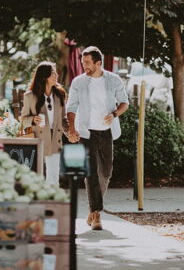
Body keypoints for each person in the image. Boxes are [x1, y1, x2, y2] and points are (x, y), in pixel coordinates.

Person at [65, 46, 129, 231]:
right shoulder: (78, 82)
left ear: (98, 63)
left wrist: (114, 114)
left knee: (106, 172)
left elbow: (125, 103)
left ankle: (92, 208)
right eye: (82, 62)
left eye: (87, 63)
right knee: (91, 173)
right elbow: (71, 107)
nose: (84, 65)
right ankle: (97, 215)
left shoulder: (113, 80)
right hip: (86, 131)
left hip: (107, 131)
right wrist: (72, 128)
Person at [19, 61, 68, 185]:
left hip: (55, 138)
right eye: (53, 73)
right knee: (38, 174)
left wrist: (70, 133)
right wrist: (32, 119)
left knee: (54, 175)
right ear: (44, 76)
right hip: (38, 139)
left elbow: (64, 119)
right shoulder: (30, 96)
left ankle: (53, 200)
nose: (56, 75)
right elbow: (23, 120)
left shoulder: (60, 94)